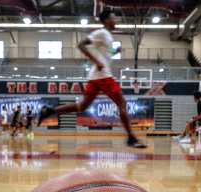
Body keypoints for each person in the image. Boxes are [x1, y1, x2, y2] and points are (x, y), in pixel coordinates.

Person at [38, 10, 147, 148]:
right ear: (106, 20)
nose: (116, 20)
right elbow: (81, 44)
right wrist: (96, 61)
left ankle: (50, 111)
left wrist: (115, 52)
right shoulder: (101, 32)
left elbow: (105, 54)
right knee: (122, 104)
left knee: (82, 106)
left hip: (95, 77)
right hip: (103, 76)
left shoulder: (106, 36)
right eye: (114, 18)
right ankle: (131, 138)